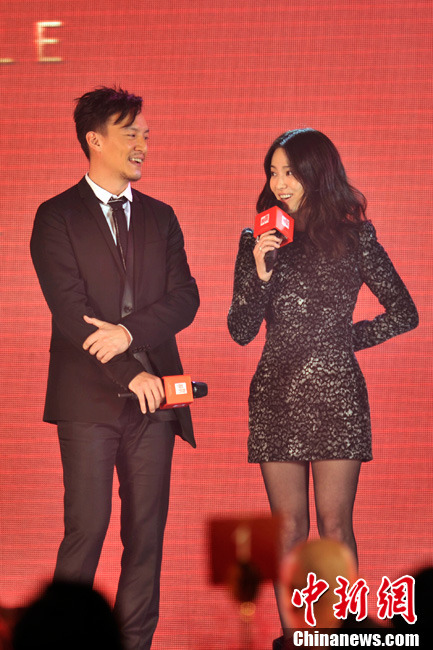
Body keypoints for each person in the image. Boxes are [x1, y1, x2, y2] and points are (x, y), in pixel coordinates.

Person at [227, 128, 418, 641]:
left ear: (318, 174)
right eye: (273, 172)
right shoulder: (257, 242)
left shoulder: (356, 239)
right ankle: (295, 639)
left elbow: (404, 312)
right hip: (276, 396)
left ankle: (339, 637)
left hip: (338, 397)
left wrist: (342, 339)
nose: (280, 183)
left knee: (335, 528)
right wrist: (261, 273)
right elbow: (241, 330)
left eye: (290, 172)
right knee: (288, 529)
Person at [30, 86, 199, 650]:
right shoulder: (56, 216)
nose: (142, 144)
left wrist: (128, 334)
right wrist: (129, 372)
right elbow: (70, 311)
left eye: (146, 134)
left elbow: (185, 299)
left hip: (157, 404)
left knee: (146, 537)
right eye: (131, 133)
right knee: (87, 528)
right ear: (95, 140)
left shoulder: (161, 216)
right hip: (89, 399)